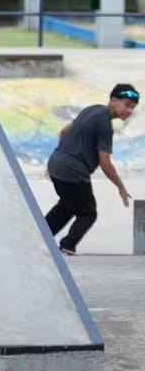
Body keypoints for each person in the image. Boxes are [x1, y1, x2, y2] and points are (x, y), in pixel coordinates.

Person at [44, 84, 138, 256]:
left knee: (67, 206)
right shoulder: (105, 125)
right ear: (113, 100)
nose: (129, 110)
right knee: (88, 213)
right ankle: (67, 245)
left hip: (56, 162)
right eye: (126, 104)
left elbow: (65, 131)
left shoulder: (92, 109)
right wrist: (120, 186)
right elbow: (105, 162)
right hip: (74, 170)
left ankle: (40, 237)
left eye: (132, 107)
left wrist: (60, 156)